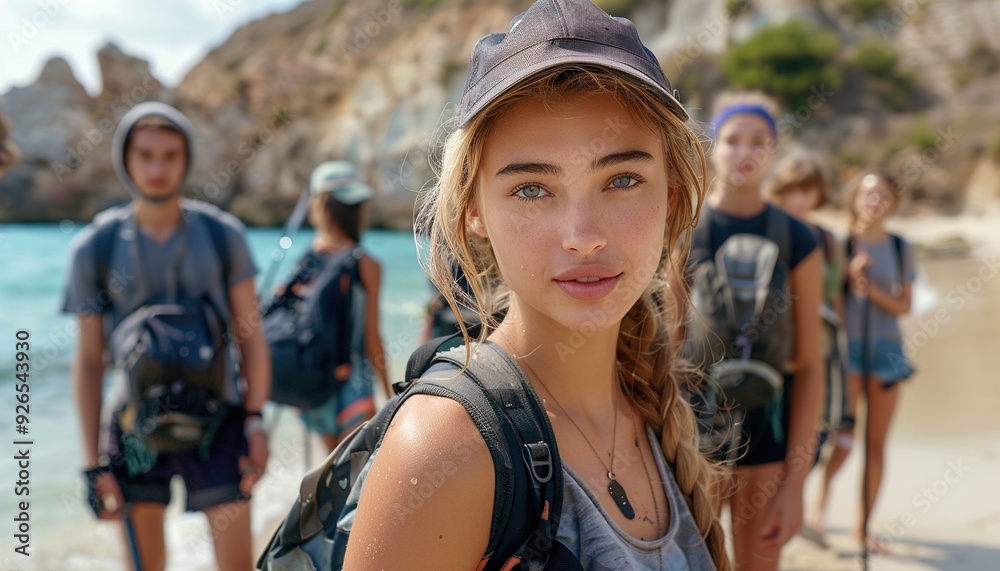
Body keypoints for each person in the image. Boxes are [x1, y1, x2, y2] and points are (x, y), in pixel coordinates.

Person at [343, 0, 729, 569]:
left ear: (671, 196)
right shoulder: (445, 448)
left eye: (622, 179)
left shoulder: (656, 411)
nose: (583, 237)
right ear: (474, 210)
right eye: (531, 189)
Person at [61, 102, 270, 571]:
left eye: (170, 155)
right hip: (135, 427)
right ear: (126, 160)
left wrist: (256, 419)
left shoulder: (223, 235)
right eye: (146, 155)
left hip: (221, 423)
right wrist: (92, 460)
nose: (157, 168)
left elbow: (251, 337)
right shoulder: (94, 247)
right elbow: (90, 362)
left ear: (186, 159)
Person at [685, 93, 824, 570]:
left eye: (758, 142)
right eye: (732, 140)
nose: (744, 152)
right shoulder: (683, 231)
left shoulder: (800, 239)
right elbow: (659, 357)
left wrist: (796, 484)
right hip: (692, 441)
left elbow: (809, 366)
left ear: (774, 150)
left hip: (769, 438)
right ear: (713, 146)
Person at [809, 170, 915, 552]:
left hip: (889, 355)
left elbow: (905, 306)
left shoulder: (902, 246)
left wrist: (871, 292)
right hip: (848, 354)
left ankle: (863, 526)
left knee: (876, 445)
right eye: (868, 193)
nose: (875, 200)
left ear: (893, 202)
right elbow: (828, 299)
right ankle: (821, 498)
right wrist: (848, 284)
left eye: (883, 194)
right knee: (845, 439)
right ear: (855, 198)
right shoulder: (841, 244)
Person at [288, 160, 391, 452]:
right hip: (352, 385)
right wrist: (390, 396)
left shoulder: (305, 260)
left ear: (318, 205)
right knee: (355, 481)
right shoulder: (367, 264)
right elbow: (372, 339)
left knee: (329, 475)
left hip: (311, 387)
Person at [765, 150, 850, 461]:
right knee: (770, 447)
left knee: (812, 444)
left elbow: (834, 297)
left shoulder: (828, 240)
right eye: (791, 191)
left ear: (819, 192)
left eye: (807, 190)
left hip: (820, 353)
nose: (799, 199)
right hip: (774, 353)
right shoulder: (768, 231)